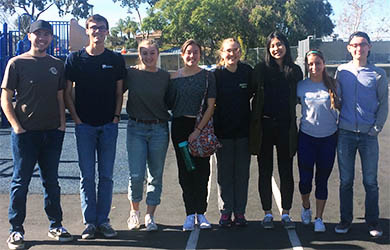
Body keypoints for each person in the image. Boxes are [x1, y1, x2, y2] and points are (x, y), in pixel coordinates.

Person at [1, 20, 73, 250]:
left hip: (52, 133)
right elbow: (6, 98)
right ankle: (15, 230)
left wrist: (62, 125)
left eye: (46, 35)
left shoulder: (57, 65)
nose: (42, 38)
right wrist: (16, 127)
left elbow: (61, 97)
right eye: (38, 34)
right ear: (29, 36)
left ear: (51, 38)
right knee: (20, 182)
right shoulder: (16, 63)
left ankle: (56, 225)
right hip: (25, 135)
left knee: (51, 182)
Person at [64, 14, 126, 239]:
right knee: (87, 177)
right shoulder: (75, 59)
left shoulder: (116, 60)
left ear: (107, 31)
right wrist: (77, 119)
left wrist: (116, 117)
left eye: (101, 28)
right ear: (87, 31)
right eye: (93, 28)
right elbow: (67, 92)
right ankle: (90, 222)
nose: (97, 31)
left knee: (107, 176)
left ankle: (104, 221)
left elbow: (120, 92)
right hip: (85, 127)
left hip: (109, 126)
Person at [334, 31, 388, 237]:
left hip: (368, 136)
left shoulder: (378, 74)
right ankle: (345, 220)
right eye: (354, 45)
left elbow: (384, 104)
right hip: (345, 134)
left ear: (369, 47)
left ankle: (373, 222)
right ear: (349, 48)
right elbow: (336, 99)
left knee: (370, 182)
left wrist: (376, 128)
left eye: (362, 44)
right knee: (346, 181)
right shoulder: (342, 71)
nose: (359, 48)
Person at [249, 31, 303, 230]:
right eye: (272, 45)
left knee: (286, 170)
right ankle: (267, 213)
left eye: (279, 44)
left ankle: (287, 212)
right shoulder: (260, 70)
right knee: (265, 171)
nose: (276, 49)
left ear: (286, 46)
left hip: (286, 127)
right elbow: (248, 93)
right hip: (264, 127)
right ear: (268, 48)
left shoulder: (295, 71)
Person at [168, 39, 216, 231]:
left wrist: (197, 131)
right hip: (180, 129)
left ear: (200, 54)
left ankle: (201, 213)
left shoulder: (207, 76)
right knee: (187, 170)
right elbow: (168, 103)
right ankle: (190, 213)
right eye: (188, 52)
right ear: (182, 54)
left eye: (196, 52)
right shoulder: (173, 78)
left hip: (201, 127)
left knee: (203, 171)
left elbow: (211, 106)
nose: (192, 55)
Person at [125, 40, 170, 232]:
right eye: (144, 53)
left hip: (159, 129)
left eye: (152, 53)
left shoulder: (165, 77)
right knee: (136, 175)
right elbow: (114, 90)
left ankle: (150, 214)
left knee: (156, 175)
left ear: (158, 54)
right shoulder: (131, 73)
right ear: (139, 54)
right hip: (136, 128)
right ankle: (134, 212)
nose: (148, 57)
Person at [297, 50, 340, 232]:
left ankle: (319, 218)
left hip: (328, 139)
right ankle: (306, 207)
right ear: (307, 65)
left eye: (318, 63)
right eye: (311, 64)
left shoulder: (334, 85)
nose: (314, 67)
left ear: (324, 64)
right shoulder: (301, 86)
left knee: (322, 180)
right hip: (307, 138)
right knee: (305, 181)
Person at [213, 38, 252, 227]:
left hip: (244, 133)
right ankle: (226, 211)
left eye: (236, 50)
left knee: (242, 175)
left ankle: (240, 212)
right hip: (223, 135)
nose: (232, 53)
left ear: (240, 52)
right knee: (224, 175)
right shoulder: (216, 75)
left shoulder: (247, 72)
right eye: (228, 50)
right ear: (222, 53)